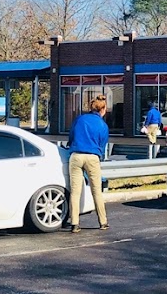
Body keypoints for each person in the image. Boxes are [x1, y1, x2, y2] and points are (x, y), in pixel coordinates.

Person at [68, 94, 109, 232]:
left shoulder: (79, 119)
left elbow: (71, 135)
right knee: (96, 191)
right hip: (92, 157)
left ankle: (74, 223)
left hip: (76, 155)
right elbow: (102, 144)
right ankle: (103, 222)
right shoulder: (102, 125)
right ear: (103, 110)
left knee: (75, 192)